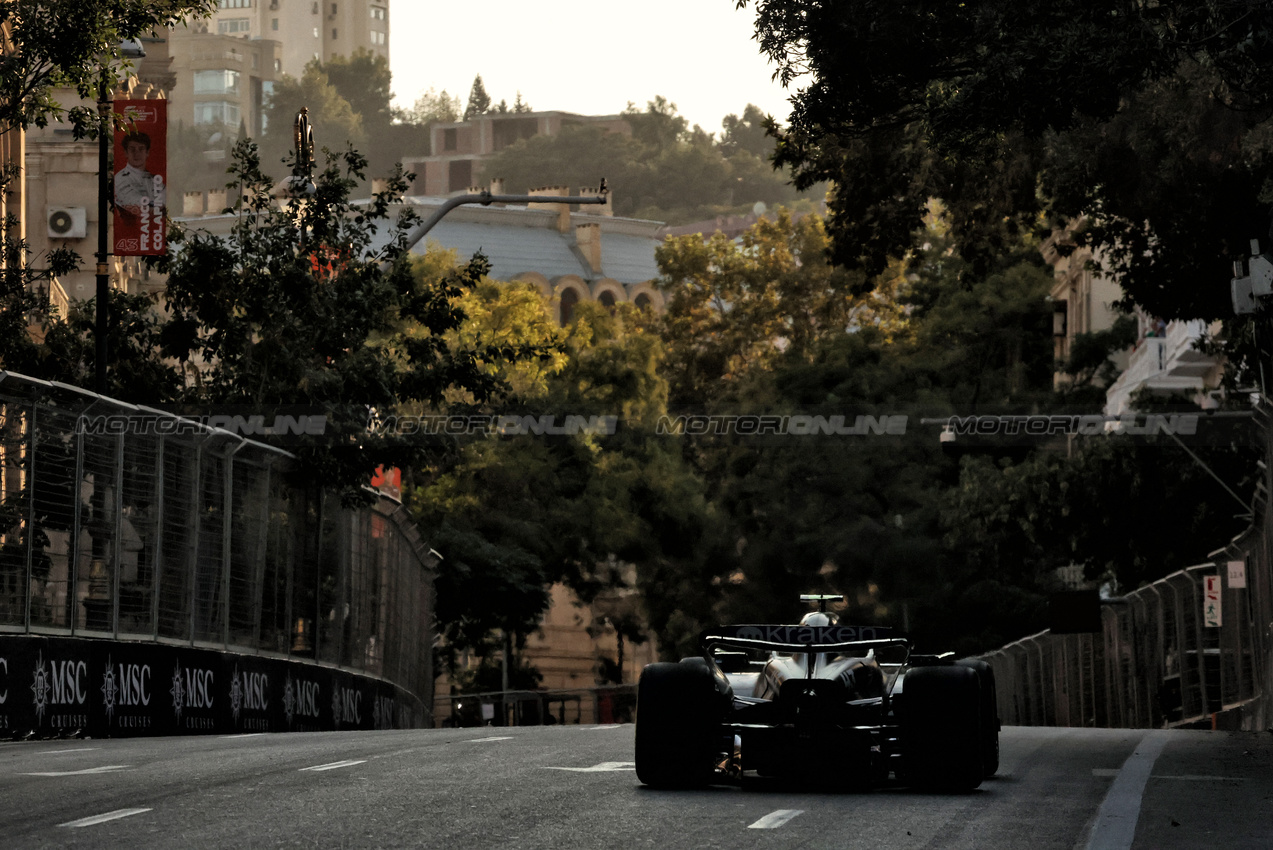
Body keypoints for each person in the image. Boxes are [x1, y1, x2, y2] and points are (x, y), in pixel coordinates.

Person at [114, 131, 166, 221]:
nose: (136, 153)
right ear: (126, 153)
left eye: (141, 149)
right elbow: (138, 206)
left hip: (154, 232)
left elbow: (168, 200)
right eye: (132, 149)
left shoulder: (154, 179)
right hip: (131, 230)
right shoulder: (120, 179)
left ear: (147, 152)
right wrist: (157, 206)